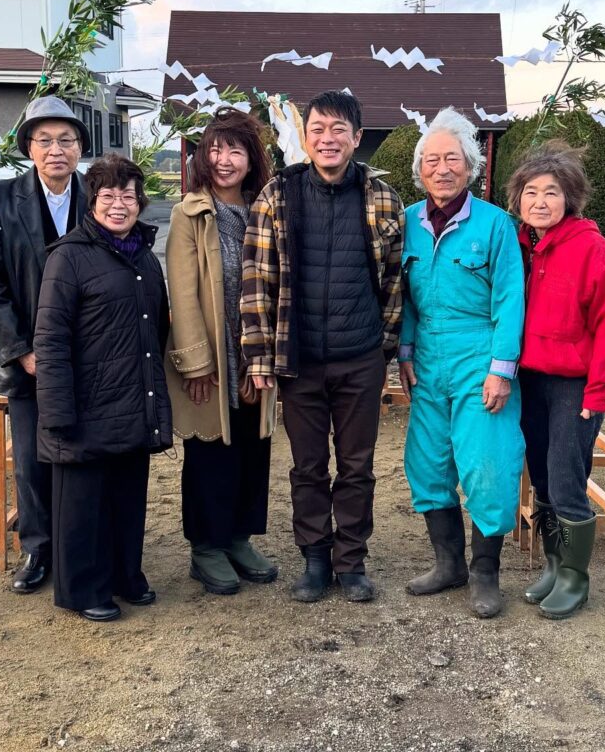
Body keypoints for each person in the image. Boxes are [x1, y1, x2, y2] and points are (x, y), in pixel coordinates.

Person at [242, 90, 404, 603]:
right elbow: (255, 280)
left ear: (357, 138)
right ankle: (315, 558)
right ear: (304, 137)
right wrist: (260, 356)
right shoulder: (277, 195)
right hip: (300, 359)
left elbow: (397, 280)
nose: (328, 139)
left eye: (339, 130)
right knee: (307, 466)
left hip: (360, 358)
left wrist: (385, 351)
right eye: (318, 129)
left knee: (357, 466)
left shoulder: (382, 197)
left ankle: (351, 560)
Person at [33, 154, 172, 622]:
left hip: (133, 399)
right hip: (84, 404)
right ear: (92, 201)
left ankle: (125, 575)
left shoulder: (145, 257)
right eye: (108, 196)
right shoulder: (68, 256)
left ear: (140, 203)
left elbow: (159, 327)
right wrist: (56, 412)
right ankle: (84, 588)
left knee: (127, 497)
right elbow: (50, 339)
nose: (119, 205)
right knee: (83, 505)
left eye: (128, 196)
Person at [398, 107, 525, 619]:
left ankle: (485, 574)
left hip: (479, 354)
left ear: (471, 167)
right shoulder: (406, 221)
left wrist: (502, 368)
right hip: (427, 357)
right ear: (420, 169)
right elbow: (401, 296)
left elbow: (510, 299)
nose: (442, 167)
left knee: (486, 465)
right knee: (427, 462)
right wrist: (405, 351)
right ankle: (447, 564)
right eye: (432, 159)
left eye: (453, 158)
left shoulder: (495, 224)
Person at [507, 142, 605, 619]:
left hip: (574, 385)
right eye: (531, 192)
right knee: (540, 476)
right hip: (531, 381)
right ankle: (554, 565)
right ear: (518, 198)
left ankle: (575, 579)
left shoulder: (591, 249)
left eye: (552, 193)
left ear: (570, 199)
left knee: (565, 478)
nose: (540, 202)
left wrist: (599, 389)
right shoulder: (519, 246)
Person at [0, 96, 89, 594]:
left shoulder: (100, 196)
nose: (56, 150)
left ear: (80, 147)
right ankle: (38, 548)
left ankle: (81, 543)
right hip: (26, 361)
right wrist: (22, 351)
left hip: (89, 357)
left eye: (66, 140)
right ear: (28, 147)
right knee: (32, 457)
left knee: (85, 451)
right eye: (44, 140)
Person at [165, 109, 278, 595]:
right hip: (212, 352)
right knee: (210, 450)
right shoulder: (190, 212)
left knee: (254, 446)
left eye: (235, 150)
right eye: (215, 149)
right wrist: (196, 360)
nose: (224, 159)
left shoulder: (265, 208)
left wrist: (268, 356)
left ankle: (239, 538)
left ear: (252, 160)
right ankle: (206, 547)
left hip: (257, 350)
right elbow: (183, 291)